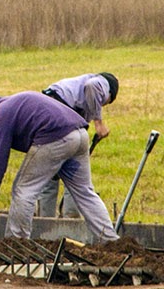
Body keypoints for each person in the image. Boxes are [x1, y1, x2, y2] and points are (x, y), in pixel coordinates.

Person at [0, 91, 118, 244]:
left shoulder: (0, 114)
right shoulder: (12, 105)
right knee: (85, 192)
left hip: (56, 138)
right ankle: (110, 241)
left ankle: (16, 245)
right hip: (79, 135)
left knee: (23, 190)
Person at [36, 72, 119, 219]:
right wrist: (99, 123)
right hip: (61, 113)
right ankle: (70, 222)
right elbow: (92, 87)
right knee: (75, 173)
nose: (101, 105)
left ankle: (44, 225)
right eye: (105, 102)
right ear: (109, 93)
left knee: (50, 173)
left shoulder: (74, 88)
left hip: (47, 112)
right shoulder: (102, 82)